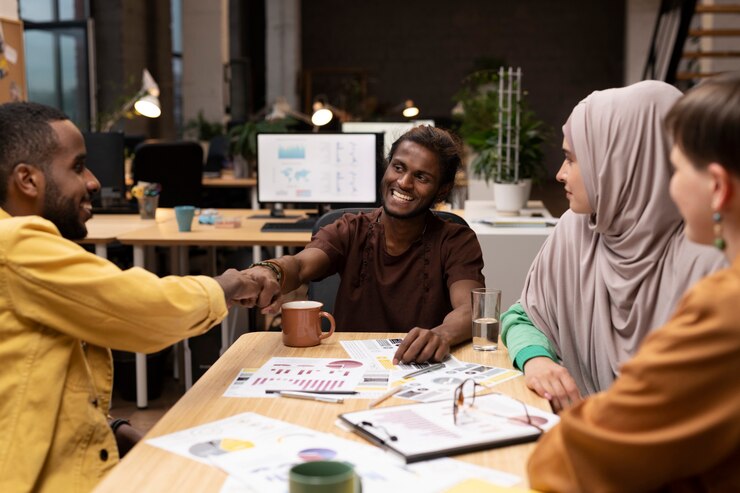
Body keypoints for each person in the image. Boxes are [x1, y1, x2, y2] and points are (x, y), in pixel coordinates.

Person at [0, 102, 266, 492]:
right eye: (77, 166)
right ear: (27, 179)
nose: (93, 181)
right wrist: (230, 284)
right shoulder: (16, 245)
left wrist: (108, 427)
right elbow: (147, 309)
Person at [527, 73, 740, 493]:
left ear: (716, 189)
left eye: (675, 169)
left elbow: (577, 458)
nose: (667, 184)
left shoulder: (725, 302)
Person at [501, 81, 725, 411]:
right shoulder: (576, 230)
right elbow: (523, 318)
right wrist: (536, 360)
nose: (560, 174)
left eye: (572, 159)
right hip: (590, 432)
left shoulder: (709, 258)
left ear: (619, 163)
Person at [243, 126, 485, 364]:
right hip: (349, 366)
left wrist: (440, 334)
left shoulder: (457, 240)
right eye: (398, 167)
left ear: (441, 190)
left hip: (421, 367)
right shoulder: (350, 228)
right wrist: (270, 270)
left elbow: (470, 309)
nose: (403, 182)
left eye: (421, 177)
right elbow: (299, 265)